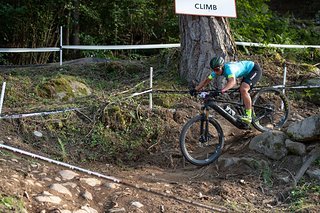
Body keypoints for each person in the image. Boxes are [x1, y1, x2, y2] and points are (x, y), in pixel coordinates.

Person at [190, 56, 262, 124]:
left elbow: (233, 82)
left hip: (253, 69)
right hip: (246, 73)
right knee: (242, 92)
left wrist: (222, 90)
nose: (216, 72)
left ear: (222, 66)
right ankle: (253, 118)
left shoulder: (229, 69)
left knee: (243, 89)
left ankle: (249, 116)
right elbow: (207, 80)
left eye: (217, 69)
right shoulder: (216, 71)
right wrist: (196, 89)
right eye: (214, 70)